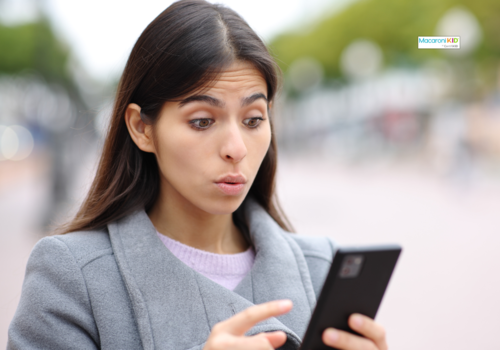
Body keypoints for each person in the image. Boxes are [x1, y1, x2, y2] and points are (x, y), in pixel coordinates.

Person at [8, 1, 388, 349]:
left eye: (254, 120)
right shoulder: (73, 278)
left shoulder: (321, 267)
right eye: (203, 121)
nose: (236, 147)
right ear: (141, 128)